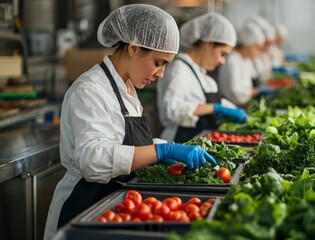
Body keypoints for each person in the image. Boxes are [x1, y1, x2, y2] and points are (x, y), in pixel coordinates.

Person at [43, 4, 217, 239]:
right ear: (134, 48)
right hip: (83, 207)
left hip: (115, 204)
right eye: (158, 62)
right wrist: (161, 150)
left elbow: (122, 142)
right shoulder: (90, 90)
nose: (161, 74)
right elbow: (93, 160)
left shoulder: (125, 87)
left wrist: (169, 149)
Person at [157, 12, 247, 143]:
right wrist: (215, 108)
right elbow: (172, 110)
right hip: (181, 142)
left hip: (198, 141)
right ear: (209, 44)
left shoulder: (199, 72)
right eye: (222, 54)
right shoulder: (179, 69)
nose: (222, 61)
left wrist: (231, 109)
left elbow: (205, 102)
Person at [217, 21, 274, 106]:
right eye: (257, 48)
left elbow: (255, 75)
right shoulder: (232, 61)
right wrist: (258, 91)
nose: (259, 52)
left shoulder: (245, 59)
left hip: (244, 103)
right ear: (247, 45)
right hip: (233, 105)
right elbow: (235, 93)